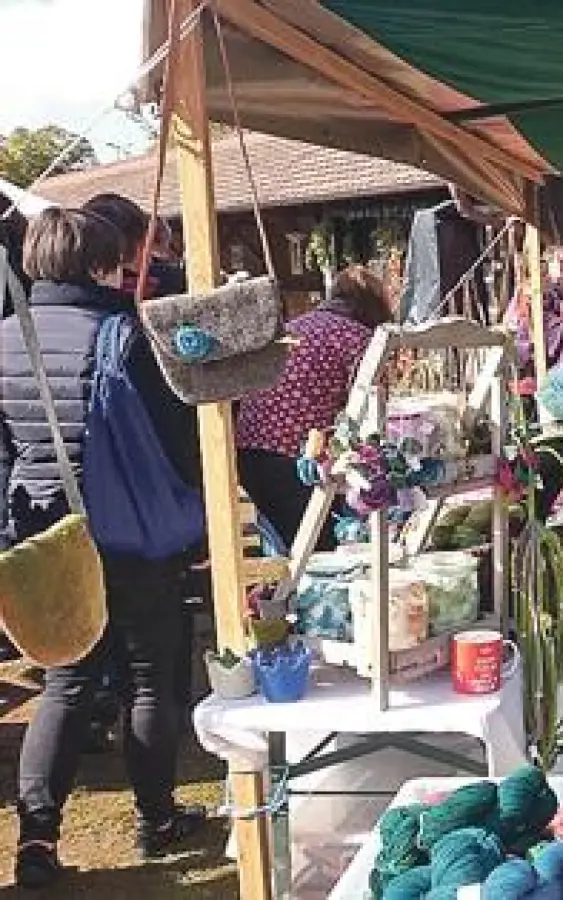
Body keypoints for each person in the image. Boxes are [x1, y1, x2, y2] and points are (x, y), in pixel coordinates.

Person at [0, 208, 206, 887]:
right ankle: (157, 818)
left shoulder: (2, 342)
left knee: (65, 681)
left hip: (45, 541)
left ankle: (36, 836)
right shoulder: (127, 335)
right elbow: (177, 439)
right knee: (150, 676)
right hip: (133, 535)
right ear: (99, 263)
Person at [236, 265, 390, 549]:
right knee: (321, 549)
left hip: (248, 449)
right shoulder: (359, 339)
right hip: (295, 457)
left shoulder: (294, 327)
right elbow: (373, 411)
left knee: (288, 544)